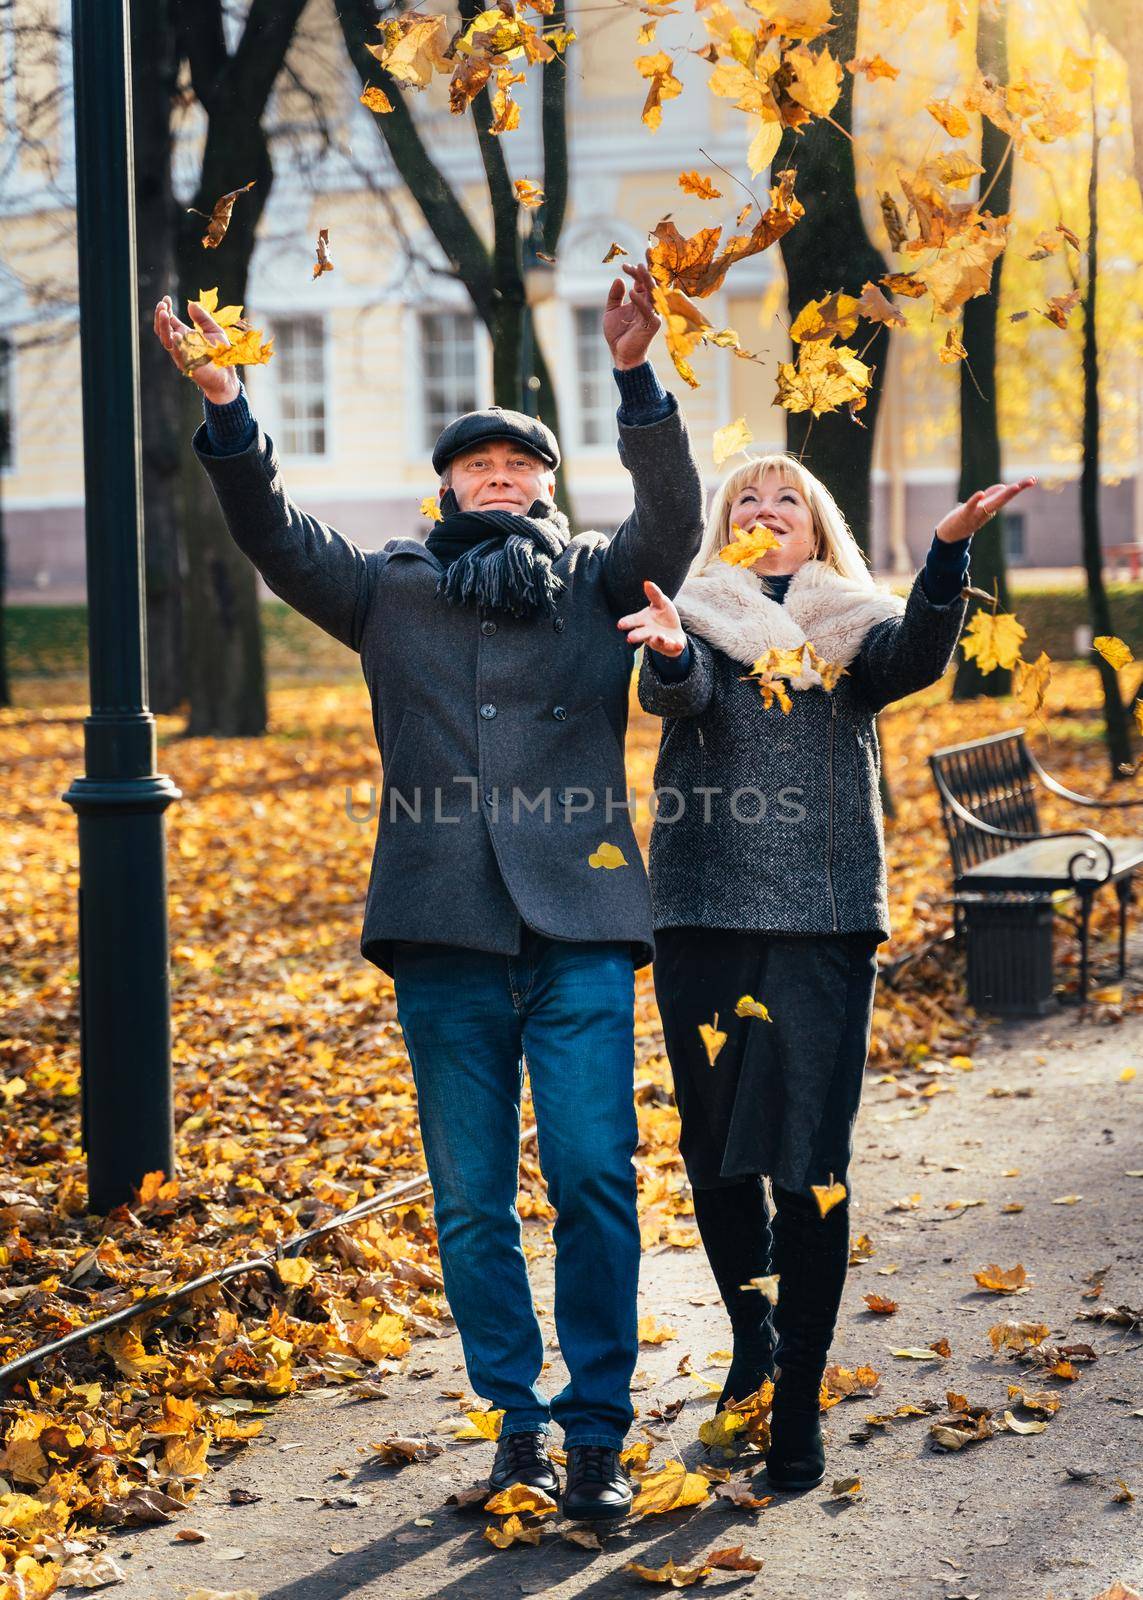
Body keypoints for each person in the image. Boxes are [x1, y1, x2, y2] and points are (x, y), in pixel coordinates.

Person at [151, 264, 705, 1521]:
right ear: (448, 484)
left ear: (548, 484)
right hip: (444, 926)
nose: (500, 475)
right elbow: (273, 534)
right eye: (479, 464)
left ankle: (599, 1431)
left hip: (578, 926)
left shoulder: (597, 583)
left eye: (521, 463)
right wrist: (230, 405)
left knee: (593, 1177)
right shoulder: (388, 590)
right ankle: (514, 1425)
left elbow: (670, 520)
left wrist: (636, 374)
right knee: (469, 1204)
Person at [619, 451, 1033, 1491]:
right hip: (704, 914)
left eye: (785, 500)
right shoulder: (700, 612)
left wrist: (946, 554)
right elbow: (679, 691)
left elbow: (919, 657)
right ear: (725, 527)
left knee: (809, 1163)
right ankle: (752, 1340)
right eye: (745, 501)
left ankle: (795, 1399)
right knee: (715, 1155)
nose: (765, 512)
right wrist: (669, 653)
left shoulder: (856, 627)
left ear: (816, 526)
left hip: (824, 923)